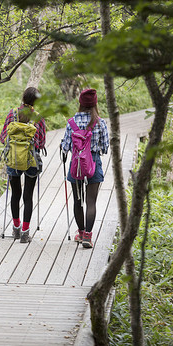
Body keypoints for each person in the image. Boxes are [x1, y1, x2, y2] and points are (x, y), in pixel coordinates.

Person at [60, 88, 109, 248]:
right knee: (91, 202)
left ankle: (80, 233)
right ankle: (88, 236)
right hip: (93, 163)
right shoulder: (100, 122)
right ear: (95, 104)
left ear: (80, 103)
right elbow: (105, 147)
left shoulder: (71, 122)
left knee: (77, 200)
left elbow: (65, 147)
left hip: (76, 164)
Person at [0, 87, 46, 243]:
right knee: (28, 196)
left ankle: (16, 229)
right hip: (31, 160)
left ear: (23, 97)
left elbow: (2, 137)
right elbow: (41, 142)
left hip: (13, 159)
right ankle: (26, 233)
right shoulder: (38, 117)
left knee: (15, 194)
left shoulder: (12, 114)